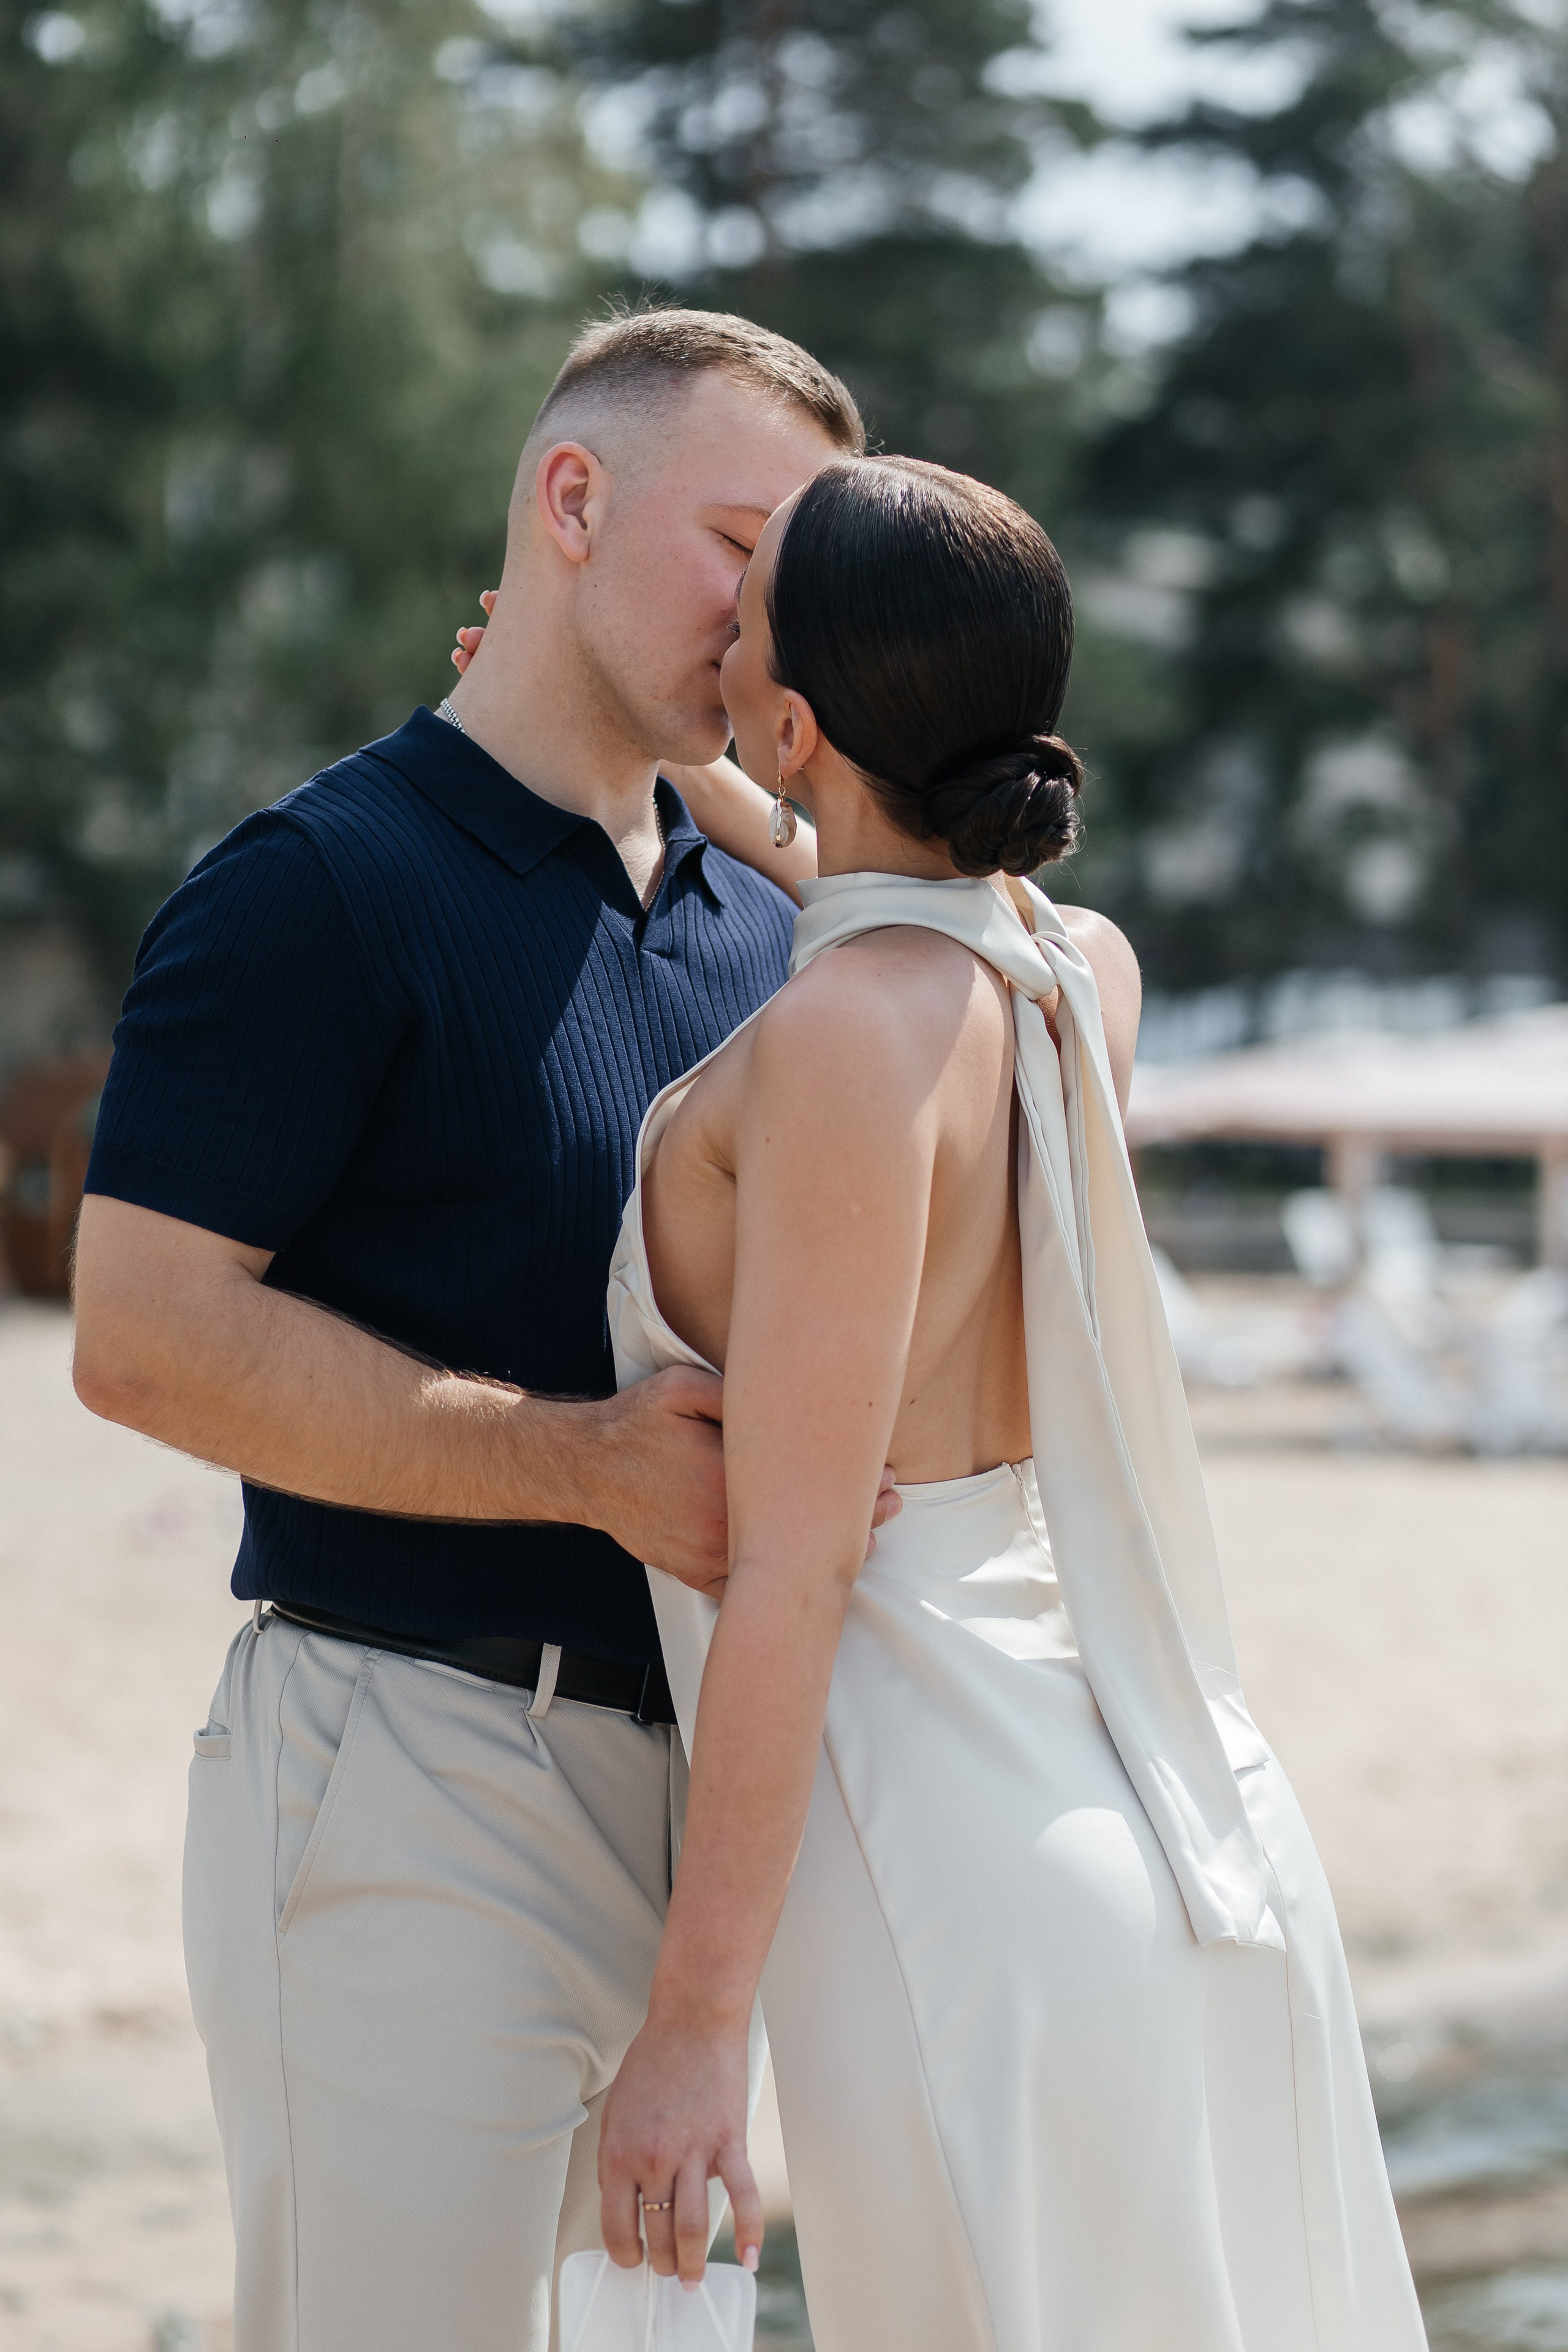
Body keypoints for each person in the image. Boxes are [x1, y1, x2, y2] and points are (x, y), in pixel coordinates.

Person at [69, 309, 910, 2352]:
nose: (775, 614)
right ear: (568, 501)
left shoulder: (772, 932)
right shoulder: (314, 888)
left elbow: (1040, 1000)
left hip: (706, 1819)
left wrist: (783, 828)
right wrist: (581, 1463)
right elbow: (143, 1334)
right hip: (404, 1768)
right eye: (741, 544)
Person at [597, 456, 1430, 2350]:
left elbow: (796, 1566)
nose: (719, 629)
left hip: (948, 1830)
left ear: (800, 722)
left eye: (754, 619)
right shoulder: (1081, 977)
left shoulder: (837, 1045)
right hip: (1167, 1793)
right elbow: (896, 889)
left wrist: (697, 2023)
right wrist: (741, 776)